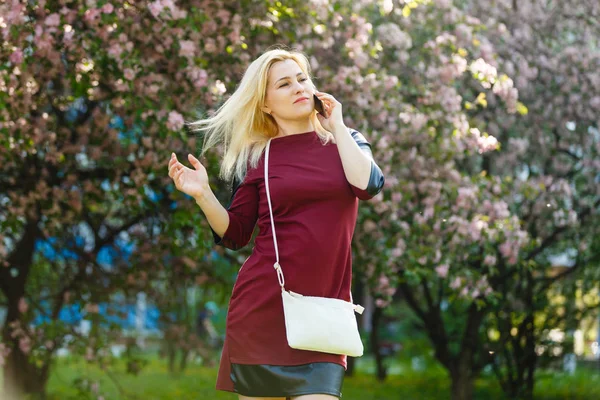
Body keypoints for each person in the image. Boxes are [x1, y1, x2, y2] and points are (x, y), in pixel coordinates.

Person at [167, 48, 384, 400]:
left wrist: (338, 126)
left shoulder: (348, 141)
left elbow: (368, 185)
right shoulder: (257, 157)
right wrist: (204, 194)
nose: (298, 88)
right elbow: (236, 233)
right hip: (263, 311)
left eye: (302, 79)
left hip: (323, 317)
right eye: (284, 84)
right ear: (265, 104)